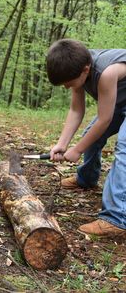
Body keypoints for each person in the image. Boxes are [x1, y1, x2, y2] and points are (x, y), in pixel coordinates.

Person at [47, 38, 126, 237]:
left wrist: (77, 150)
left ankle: (116, 219)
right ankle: (86, 179)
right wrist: (62, 144)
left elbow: (104, 119)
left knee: (124, 149)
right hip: (119, 101)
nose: (67, 87)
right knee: (90, 136)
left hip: (116, 102)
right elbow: (76, 111)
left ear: (85, 70)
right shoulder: (76, 65)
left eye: (68, 83)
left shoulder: (106, 72)